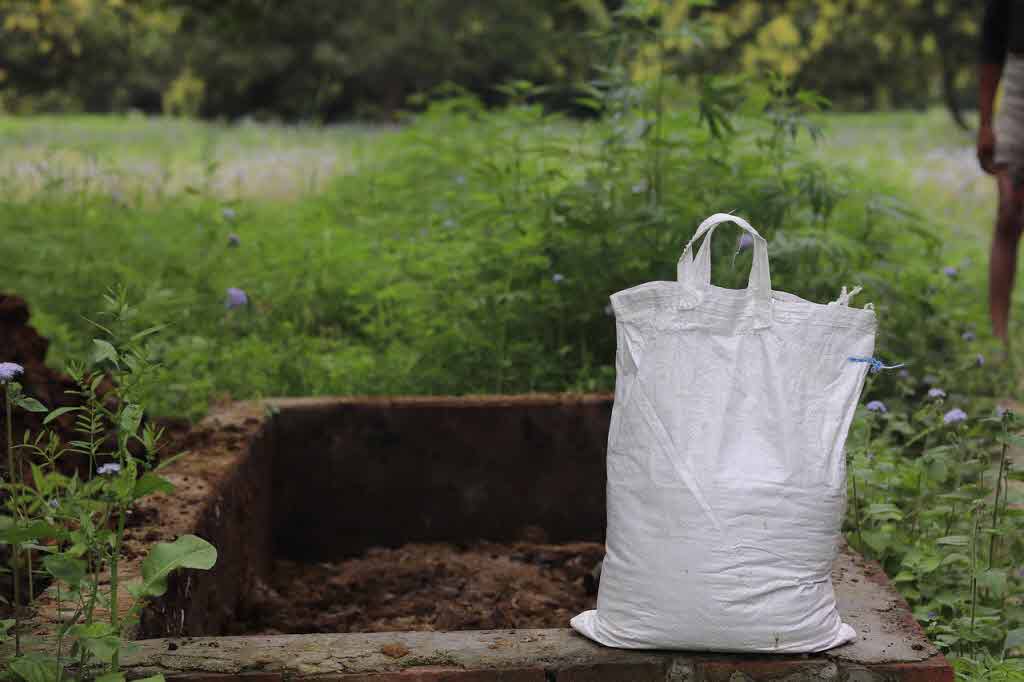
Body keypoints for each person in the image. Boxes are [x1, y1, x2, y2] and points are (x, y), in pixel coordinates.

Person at [980, 0, 1024, 346]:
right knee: (1009, 212)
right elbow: (992, 39)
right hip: (1018, 79)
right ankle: (1000, 344)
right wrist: (984, 123)